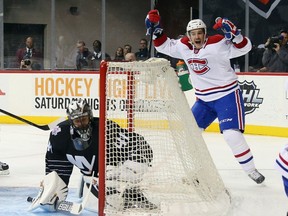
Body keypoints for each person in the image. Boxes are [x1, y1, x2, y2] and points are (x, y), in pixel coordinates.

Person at [145, 10, 265, 184]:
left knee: (231, 135)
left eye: (200, 32)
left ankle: (251, 170)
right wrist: (155, 29)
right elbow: (163, 46)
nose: (197, 36)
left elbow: (245, 48)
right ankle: (197, 171)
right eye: (193, 34)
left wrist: (236, 36)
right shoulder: (183, 46)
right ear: (188, 35)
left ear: (205, 33)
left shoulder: (217, 44)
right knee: (190, 135)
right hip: (203, 100)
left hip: (227, 95)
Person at [28, 99, 156, 213]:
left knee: (111, 206)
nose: (82, 124)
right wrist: (50, 190)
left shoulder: (106, 129)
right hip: (91, 180)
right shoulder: (60, 135)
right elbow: (57, 169)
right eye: (77, 121)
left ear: (90, 117)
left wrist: (126, 172)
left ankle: (130, 192)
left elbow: (140, 145)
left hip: (112, 174)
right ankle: (116, 194)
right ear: (71, 121)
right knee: (100, 206)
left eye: (84, 119)